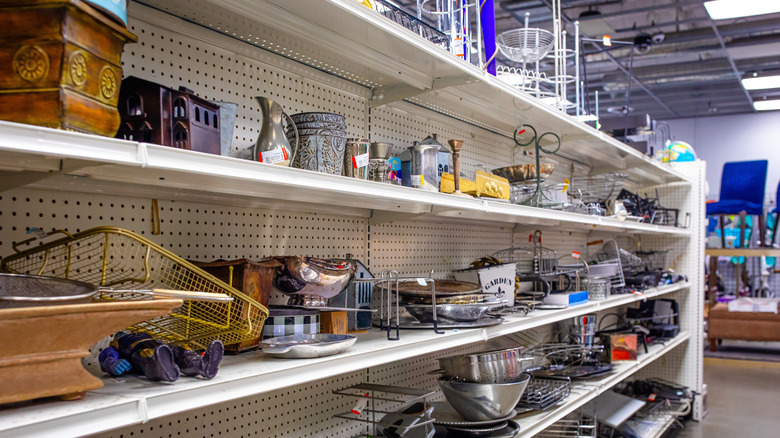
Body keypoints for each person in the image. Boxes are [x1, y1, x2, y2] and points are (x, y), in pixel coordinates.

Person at [98, 332, 223, 382]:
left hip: (161, 348)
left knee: (182, 350)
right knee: (147, 356)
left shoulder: (140, 334)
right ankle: (161, 368)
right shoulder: (116, 346)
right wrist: (113, 364)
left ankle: (202, 365)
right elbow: (106, 358)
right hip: (139, 352)